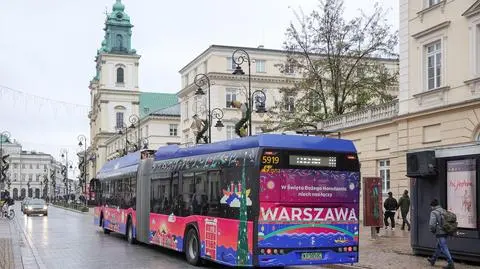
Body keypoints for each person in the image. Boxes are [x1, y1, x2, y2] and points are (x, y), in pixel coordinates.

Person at [428, 199, 454, 269]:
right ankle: (433, 260)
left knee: (443, 247)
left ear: (433, 206)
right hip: (446, 230)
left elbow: (432, 224)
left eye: (431, 206)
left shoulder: (434, 212)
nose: (431, 208)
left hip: (440, 232)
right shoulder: (443, 210)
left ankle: (450, 263)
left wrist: (432, 230)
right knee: (439, 246)